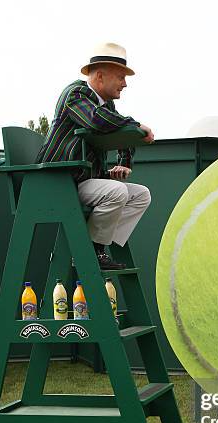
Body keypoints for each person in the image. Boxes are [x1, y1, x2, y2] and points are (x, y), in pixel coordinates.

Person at [36, 42, 154, 269]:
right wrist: (136, 124)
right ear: (100, 77)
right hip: (57, 181)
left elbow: (119, 130)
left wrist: (124, 162)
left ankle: (100, 244)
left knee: (141, 195)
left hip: (81, 181)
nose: (125, 84)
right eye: (120, 77)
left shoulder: (106, 104)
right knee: (117, 192)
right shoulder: (76, 93)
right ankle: (91, 251)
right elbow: (96, 121)